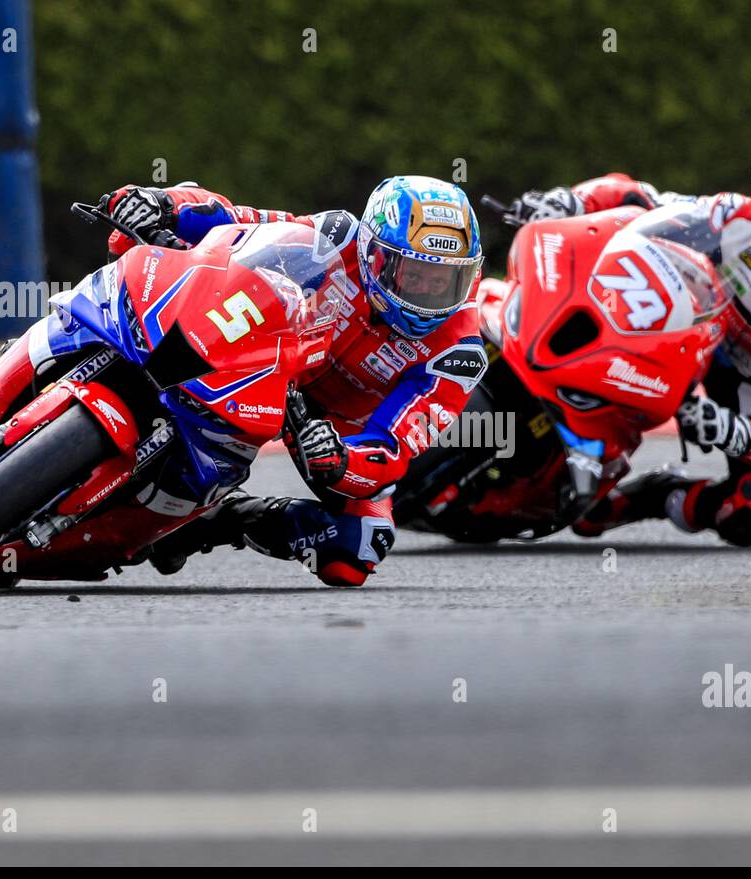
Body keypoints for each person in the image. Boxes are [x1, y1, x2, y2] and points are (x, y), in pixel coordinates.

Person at [98, 175, 486, 584]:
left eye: (442, 281)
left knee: (357, 549)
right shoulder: (336, 236)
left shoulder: (458, 354)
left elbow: (393, 448)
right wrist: (163, 204)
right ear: (376, 257)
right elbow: (238, 219)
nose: (427, 295)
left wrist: (342, 460)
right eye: (415, 275)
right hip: (269, 359)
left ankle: (216, 520)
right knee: (131, 244)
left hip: (329, 430)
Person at [506, 165, 751, 546]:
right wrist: (572, 201)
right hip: (690, 332)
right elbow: (639, 199)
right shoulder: (736, 219)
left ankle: (641, 500)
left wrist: (728, 429)